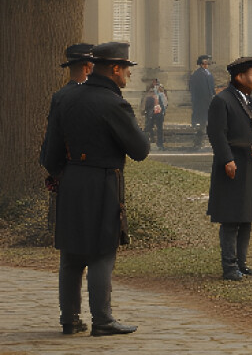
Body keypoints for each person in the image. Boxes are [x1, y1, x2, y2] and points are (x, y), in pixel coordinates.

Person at [41, 41, 149, 336]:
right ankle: (102, 319)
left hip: (71, 179)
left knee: (72, 254)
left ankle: (69, 318)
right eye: (126, 69)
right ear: (115, 69)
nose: (128, 75)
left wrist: (64, 174)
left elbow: (49, 153)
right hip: (102, 181)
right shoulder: (114, 103)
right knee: (103, 251)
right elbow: (140, 149)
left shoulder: (65, 97)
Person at [207, 56, 252, 281]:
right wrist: (227, 159)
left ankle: (241, 264)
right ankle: (229, 266)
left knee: (246, 217)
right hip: (232, 166)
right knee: (231, 218)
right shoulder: (222, 100)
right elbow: (216, 133)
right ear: (239, 77)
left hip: (250, 164)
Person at [41, 43, 95, 243]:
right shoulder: (97, 97)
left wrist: (58, 172)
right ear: (88, 66)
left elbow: (51, 143)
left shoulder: (60, 96)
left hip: (66, 173)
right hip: (91, 175)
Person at [188, 54, 216, 148]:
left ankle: (201, 141)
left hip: (208, 101)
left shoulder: (208, 73)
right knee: (202, 121)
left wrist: (213, 95)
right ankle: (198, 142)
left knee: (207, 121)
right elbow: (193, 89)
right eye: (204, 62)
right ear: (200, 63)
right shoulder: (197, 74)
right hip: (201, 101)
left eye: (207, 62)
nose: (206, 64)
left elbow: (211, 87)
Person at [140, 78, 168, 148]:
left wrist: (163, 110)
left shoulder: (161, 91)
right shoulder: (150, 92)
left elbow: (165, 102)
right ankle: (148, 142)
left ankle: (159, 144)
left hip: (158, 112)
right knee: (149, 127)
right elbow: (145, 102)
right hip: (151, 112)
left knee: (158, 128)